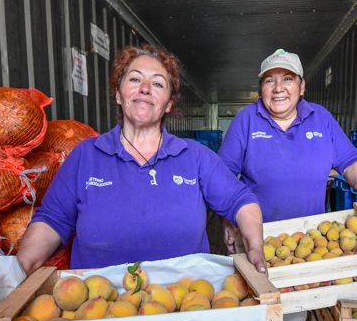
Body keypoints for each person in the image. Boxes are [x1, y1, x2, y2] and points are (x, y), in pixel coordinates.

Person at [16, 44, 267, 275]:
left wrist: (255, 246)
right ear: (118, 93)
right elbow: (52, 220)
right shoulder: (86, 156)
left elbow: (240, 200)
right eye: (135, 79)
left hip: (184, 304)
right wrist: (20, 269)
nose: (145, 88)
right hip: (101, 309)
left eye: (157, 84)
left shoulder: (194, 156)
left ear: (168, 104)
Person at [217, 48, 357, 321]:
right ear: (260, 88)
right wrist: (227, 220)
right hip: (255, 244)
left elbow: (351, 162)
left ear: (302, 86)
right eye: (269, 81)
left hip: (301, 253)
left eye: (287, 79)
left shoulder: (321, 120)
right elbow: (221, 176)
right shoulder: (246, 121)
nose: (278, 88)